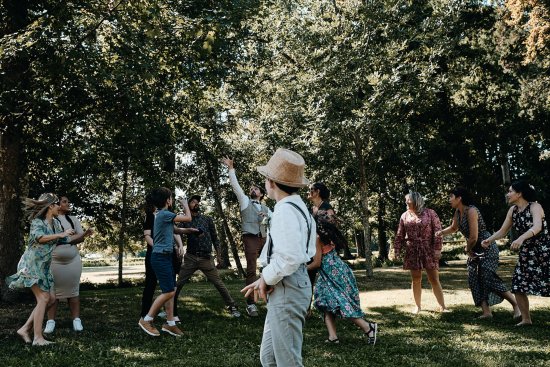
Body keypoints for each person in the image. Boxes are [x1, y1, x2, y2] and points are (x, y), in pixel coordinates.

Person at [242, 148, 317, 367]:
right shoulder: (299, 207)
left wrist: (266, 278)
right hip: (288, 283)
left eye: (266, 178)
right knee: (270, 358)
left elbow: (290, 258)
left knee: (288, 362)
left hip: (289, 286)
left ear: (272, 183)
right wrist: (264, 278)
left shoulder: (285, 210)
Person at [436, 187, 520, 319]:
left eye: (451, 196)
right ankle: (486, 312)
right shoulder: (458, 212)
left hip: (486, 245)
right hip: (474, 249)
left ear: (459, 198)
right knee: (474, 278)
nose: (449, 199)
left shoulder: (471, 211)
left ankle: (516, 305)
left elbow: (474, 237)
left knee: (487, 276)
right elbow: (453, 228)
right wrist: (441, 232)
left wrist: (467, 250)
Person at [5, 193, 77, 346]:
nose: (60, 207)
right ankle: (38, 338)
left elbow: (65, 239)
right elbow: (40, 238)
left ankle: (24, 329)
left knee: (50, 299)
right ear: (50, 206)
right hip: (31, 264)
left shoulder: (56, 223)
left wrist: (82, 235)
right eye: (57, 204)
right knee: (43, 298)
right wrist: (61, 234)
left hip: (44, 266)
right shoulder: (37, 222)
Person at [481, 181, 550, 326]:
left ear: (519, 194)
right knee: (518, 284)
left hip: (543, 252)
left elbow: (537, 226)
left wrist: (521, 237)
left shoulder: (535, 206)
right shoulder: (513, 210)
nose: (508, 194)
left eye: (510, 191)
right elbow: (502, 231)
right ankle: (526, 319)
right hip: (526, 254)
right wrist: (489, 239)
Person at [313, 214, 378, 344]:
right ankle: (333, 337)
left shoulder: (318, 238)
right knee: (326, 302)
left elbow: (316, 263)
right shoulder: (328, 236)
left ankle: (368, 327)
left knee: (342, 303)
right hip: (338, 271)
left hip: (331, 275)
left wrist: (301, 267)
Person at [173, 195, 241, 318]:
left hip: (206, 258)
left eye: (197, 202)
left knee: (218, 283)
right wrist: (179, 246)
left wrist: (219, 256)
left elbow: (215, 238)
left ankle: (232, 306)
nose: (196, 203)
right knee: (178, 284)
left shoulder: (207, 219)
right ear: (188, 206)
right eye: (193, 202)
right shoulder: (184, 220)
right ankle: (170, 310)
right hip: (190, 258)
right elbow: (177, 233)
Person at [138, 187, 192, 337]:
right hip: (160, 257)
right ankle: (147, 319)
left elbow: (175, 230)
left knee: (171, 290)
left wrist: (189, 231)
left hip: (166, 256)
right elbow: (188, 218)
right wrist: (185, 204)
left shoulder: (162, 216)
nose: (172, 200)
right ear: (168, 200)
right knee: (169, 291)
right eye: (171, 198)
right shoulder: (165, 214)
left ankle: (170, 324)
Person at [222, 157, 271, 317]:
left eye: (256, 189)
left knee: (271, 268)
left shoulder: (266, 207)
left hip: (265, 238)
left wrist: (268, 218)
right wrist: (231, 169)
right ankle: (250, 304)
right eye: (251, 188)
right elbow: (235, 186)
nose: (253, 190)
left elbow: (278, 220)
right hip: (250, 238)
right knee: (251, 270)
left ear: (262, 194)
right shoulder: (245, 202)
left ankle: (272, 299)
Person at [392, 191, 449, 314]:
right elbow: (399, 234)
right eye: (406, 200)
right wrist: (396, 250)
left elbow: (438, 231)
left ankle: (442, 307)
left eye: (408, 200)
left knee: (433, 278)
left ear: (416, 200)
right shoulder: (404, 216)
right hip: (412, 249)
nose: (406, 202)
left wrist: (438, 249)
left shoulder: (430, 213)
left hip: (429, 249)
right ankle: (417, 306)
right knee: (416, 278)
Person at [44, 196, 93, 333]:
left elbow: (80, 238)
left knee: (73, 292)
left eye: (68, 201)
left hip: (73, 262)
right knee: (53, 293)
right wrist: (67, 238)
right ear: (57, 205)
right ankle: (50, 322)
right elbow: (51, 240)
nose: (68, 203)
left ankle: (76, 321)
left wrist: (83, 234)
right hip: (54, 262)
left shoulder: (74, 219)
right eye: (64, 201)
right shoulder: (49, 220)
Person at [308, 182, 354, 259]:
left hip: (326, 249)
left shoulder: (326, 207)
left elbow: (333, 228)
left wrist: (332, 247)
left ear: (318, 191)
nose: (308, 192)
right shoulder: (310, 209)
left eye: (311, 189)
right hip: (314, 247)